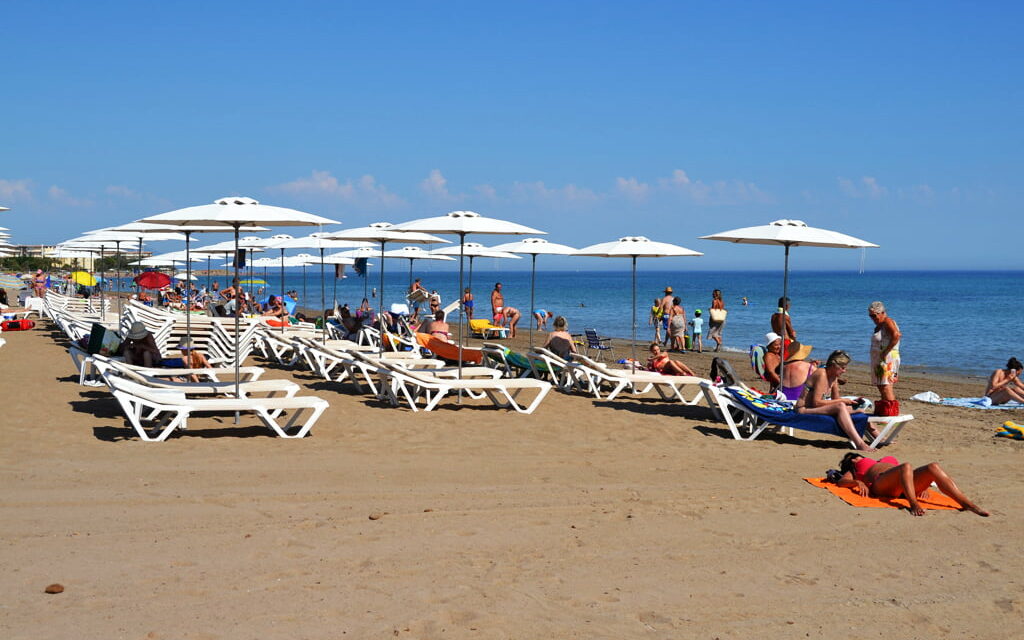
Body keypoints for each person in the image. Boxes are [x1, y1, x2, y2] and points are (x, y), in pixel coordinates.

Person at [834, 452, 988, 517]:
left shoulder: (881, 460)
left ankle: (967, 504)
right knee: (906, 466)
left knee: (932, 467)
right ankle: (913, 504)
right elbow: (841, 482)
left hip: (901, 483)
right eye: (855, 457)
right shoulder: (855, 467)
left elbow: (905, 475)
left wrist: (924, 486)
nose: (858, 457)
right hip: (881, 484)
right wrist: (857, 481)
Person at [796, 350, 877, 452]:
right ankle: (859, 443)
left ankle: (878, 437)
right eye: (843, 368)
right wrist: (843, 401)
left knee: (859, 410)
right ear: (834, 366)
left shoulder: (833, 377)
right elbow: (816, 402)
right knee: (840, 406)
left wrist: (850, 402)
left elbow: (835, 399)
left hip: (815, 407)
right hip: (804, 409)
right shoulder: (822, 374)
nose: (844, 371)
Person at [868, 301, 901, 408]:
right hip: (879, 359)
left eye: (874, 315)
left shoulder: (888, 321)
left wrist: (886, 351)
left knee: (886, 385)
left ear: (882, 312)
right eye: (870, 316)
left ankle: (891, 410)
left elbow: (896, 335)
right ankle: (885, 409)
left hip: (888, 358)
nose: (872, 318)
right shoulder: (880, 325)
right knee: (881, 385)